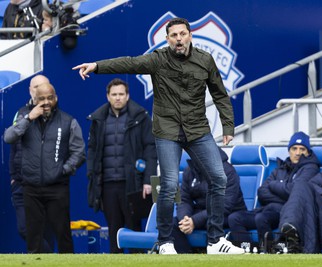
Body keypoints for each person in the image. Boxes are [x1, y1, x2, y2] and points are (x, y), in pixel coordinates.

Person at [72, 17, 244, 255]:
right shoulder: (158, 59)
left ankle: (215, 241)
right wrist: (97, 66)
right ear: (168, 39)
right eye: (174, 36)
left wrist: (228, 126)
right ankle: (164, 241)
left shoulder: (205, 60)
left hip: (197, 129)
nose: (179, 39)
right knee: (169, 184)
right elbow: (128, 63)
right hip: (168, 130)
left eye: (182, 34)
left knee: (219, 178)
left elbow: (220, 94)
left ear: (190, 35)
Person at [4, 82, 86, 253]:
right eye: (42, 99)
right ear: (34, 100)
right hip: (31, 188)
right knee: (33, 238)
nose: (46, 102)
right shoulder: (24, 117)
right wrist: (29, 118)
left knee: (63, 235)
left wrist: (64, 170)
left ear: (56, 98)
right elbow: (8, 137)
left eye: (50, 98)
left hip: (57, 187)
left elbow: (79, 152)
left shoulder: (67, 120)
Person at [86, 78, 157, 253]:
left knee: (134, 229)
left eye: (121, 94)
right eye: (114, 94)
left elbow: (150, 149)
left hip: (133, 184)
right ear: (108, 96)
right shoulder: (98, 119)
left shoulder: (141, 117)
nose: (118, 98)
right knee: (114, 229)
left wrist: (148, 180)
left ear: (127, 96)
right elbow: (92, 150)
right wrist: (92, 176)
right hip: (108, 185)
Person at [228, 132, 320, 252]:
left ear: (307, 152)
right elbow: (261, 192)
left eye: (302, 149)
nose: (297, 153)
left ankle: (270, 251)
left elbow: (296, 192)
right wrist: (282, 191)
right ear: (289, 151)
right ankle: (248, 252)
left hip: (286, 212)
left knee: (261, 218)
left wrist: (274, 185)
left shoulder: (310, 168)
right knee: (234, 218)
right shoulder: (280, 168)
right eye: (294, 148)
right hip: (266, 209)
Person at [8, 75, 55, 252]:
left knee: (46, 230)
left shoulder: (55, 114)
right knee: (25, 228)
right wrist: (13, 177)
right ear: (30, 90)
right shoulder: (20, 113)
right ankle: (50, 256)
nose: (38, 90)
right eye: (35, 87)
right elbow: (13, 144)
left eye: (42, 86)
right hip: (22, 182)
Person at [172, 148, 247, 253]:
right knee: (174, 223)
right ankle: (187, 259)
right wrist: (185, 219)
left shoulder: (226, 171)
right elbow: (184, 199)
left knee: (212, 222)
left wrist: (195, 221)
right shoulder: (190, 170)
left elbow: (224, 205)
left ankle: (212, 259)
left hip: (228, 214)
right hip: (202, 213)